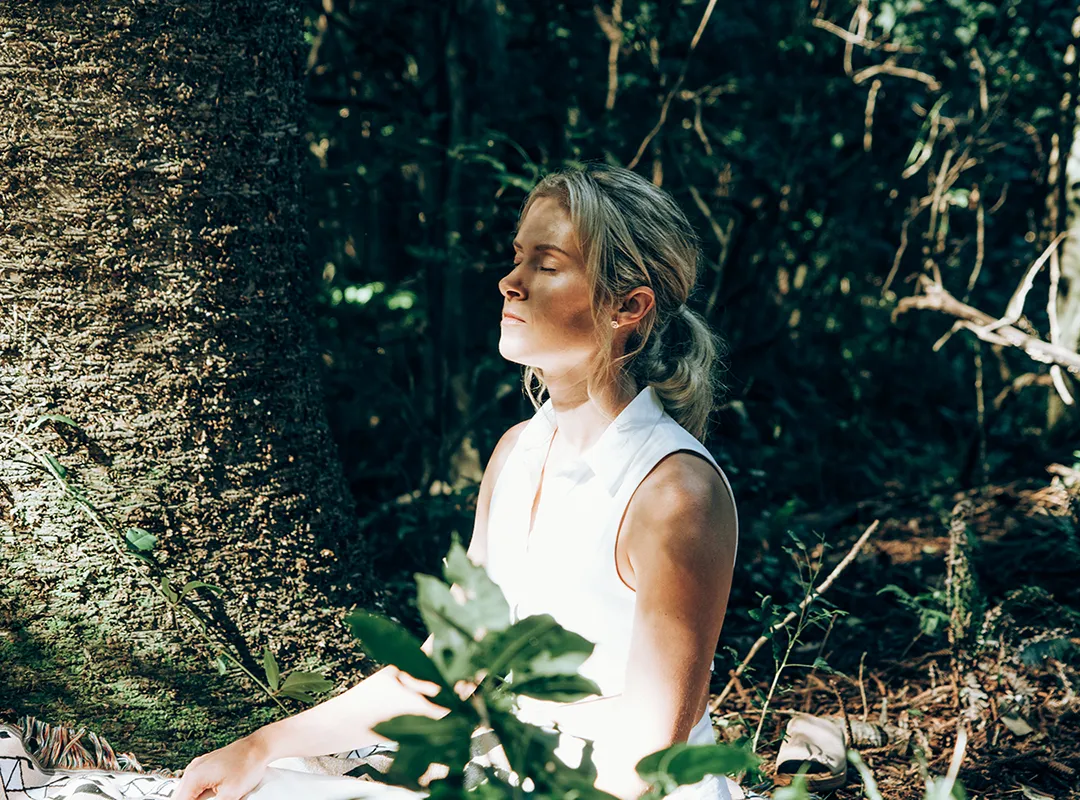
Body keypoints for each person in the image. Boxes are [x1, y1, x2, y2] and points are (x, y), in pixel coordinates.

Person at [175, 163, 739, 800]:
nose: (509, 282)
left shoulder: (676, 494)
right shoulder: (516, 455)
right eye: (517, 257)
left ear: (628, 307)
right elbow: (451, 670)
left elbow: (646, 761)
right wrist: (261, 745)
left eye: (546, 265)